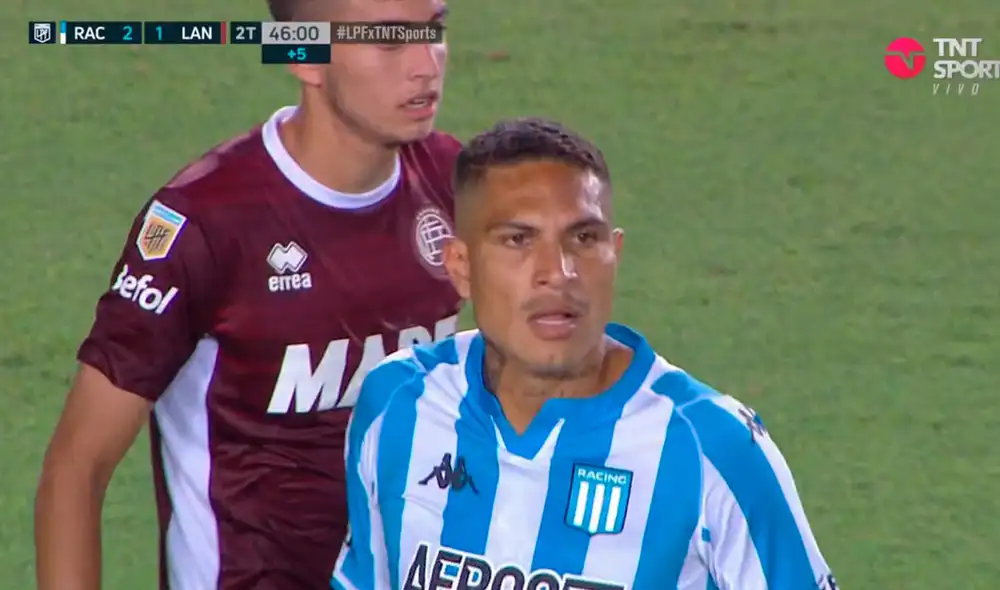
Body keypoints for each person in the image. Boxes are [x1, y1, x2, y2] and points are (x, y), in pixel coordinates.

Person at [34, 1, 457, 589]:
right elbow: (77, 467)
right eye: (387, 44)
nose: (425, 66)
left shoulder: (452, 181)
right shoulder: (205, 224)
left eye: (433, 31)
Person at [332, 118, 839, 590]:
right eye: (518, 239)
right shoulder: (399, 401)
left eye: (583, 238)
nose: (559, 271)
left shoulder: (710, 448)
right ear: (461, 267)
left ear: (614, 254)